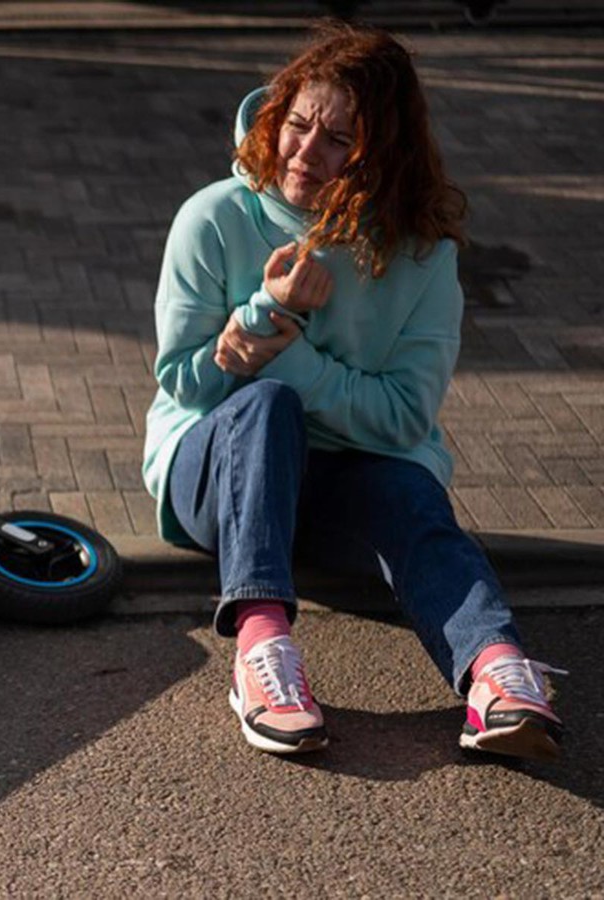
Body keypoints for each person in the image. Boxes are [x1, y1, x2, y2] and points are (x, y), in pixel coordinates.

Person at [142, 21, 564, 760]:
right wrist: (262, 314)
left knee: (413, 497)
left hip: (345, 481)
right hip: (214, 474)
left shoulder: (422, 256)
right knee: (268, 409)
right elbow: (181, 381)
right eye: (298, 125)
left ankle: (497, 674)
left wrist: (294, 357)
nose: (306, 153)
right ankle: (262, 653)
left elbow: (405, 419)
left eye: (339, 140)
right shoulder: (213, 217)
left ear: (383, 158)